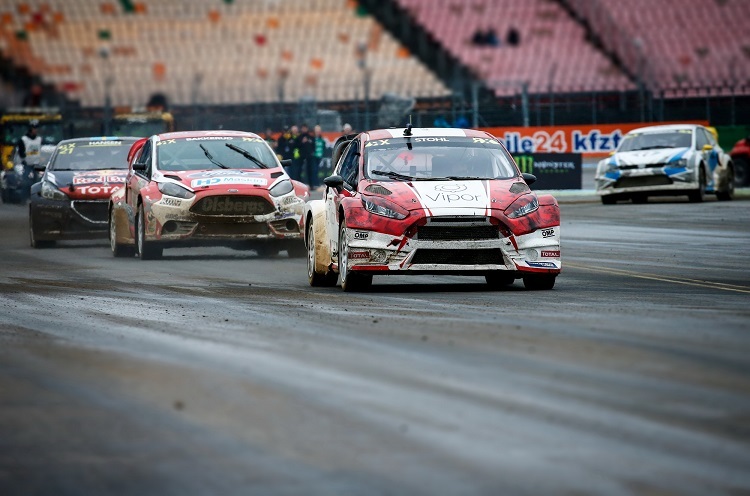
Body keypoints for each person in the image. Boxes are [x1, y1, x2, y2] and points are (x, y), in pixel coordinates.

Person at [17, 122, 43, 199]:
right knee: (25, 181)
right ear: (30, 130)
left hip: (37, 164)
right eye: (34, 129)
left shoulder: (39, 139)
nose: (36, 130)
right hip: (27, 164)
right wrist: (24, 159)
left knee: (37, 181)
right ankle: (24, 197)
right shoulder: (24, 139)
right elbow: (20, 151)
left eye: (36, 128)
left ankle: (36, 197)